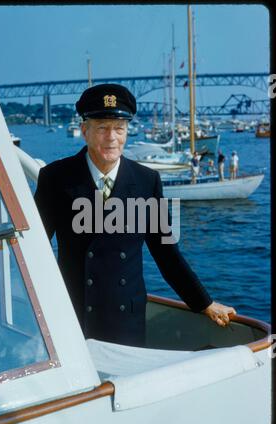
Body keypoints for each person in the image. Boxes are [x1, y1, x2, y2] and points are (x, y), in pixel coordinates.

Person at [34, 83, 236, 347]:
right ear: (85, 130)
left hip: (125, 319)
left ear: (128, 132)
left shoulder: (147, 181)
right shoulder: (56, 178)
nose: (112, 137)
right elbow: (35, 248)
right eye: (102, 128)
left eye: (119, 128)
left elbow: (166, 253)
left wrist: (204, 303)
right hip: (73, 313)